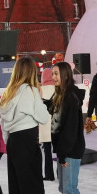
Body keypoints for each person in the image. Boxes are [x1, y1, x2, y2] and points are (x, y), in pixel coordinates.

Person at [0, 56, 60, 194]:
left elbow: (3, 126)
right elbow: (43, 117)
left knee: (17, 192)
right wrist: (40, 100)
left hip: (14, 143)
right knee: (33, 192)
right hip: (26, 141)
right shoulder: (31, 91)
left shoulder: (8, 93)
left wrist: (11, 143)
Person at [46, 61, 90, 194]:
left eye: (56, 74)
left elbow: (70, 130)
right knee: (64, 189)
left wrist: (63, 154)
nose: (53, 77)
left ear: (65, 75)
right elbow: (52, 110)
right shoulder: (59, 95)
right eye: (53, 73)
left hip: (70, 150)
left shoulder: (70, 98)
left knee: (70, 190)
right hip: (64, 149)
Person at [38, 54, 60, 182]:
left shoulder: (40, 89)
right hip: (57, 123)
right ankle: (59, 173)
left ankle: (49, 174)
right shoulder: (58, 89)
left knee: (47, 151)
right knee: (58, 151)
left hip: (45, 124)